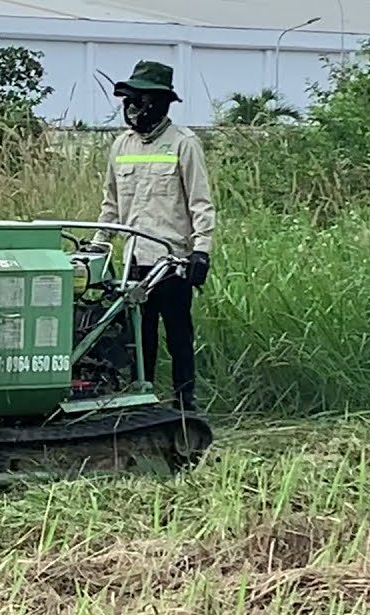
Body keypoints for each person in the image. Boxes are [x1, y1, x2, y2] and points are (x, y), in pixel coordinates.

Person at [92, 59, 215, 412]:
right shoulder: (121, 146)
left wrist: (201, 250)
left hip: (172, 261)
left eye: (140, 99)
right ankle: (139, 403)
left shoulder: (184, 144)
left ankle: (183, 403)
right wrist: (98, 247)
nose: (132, 107)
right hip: (133, 260)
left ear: (160, 102)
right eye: (128, 100)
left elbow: (201, 203)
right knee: (137, 339)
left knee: (178, 336)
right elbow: (110, 204)